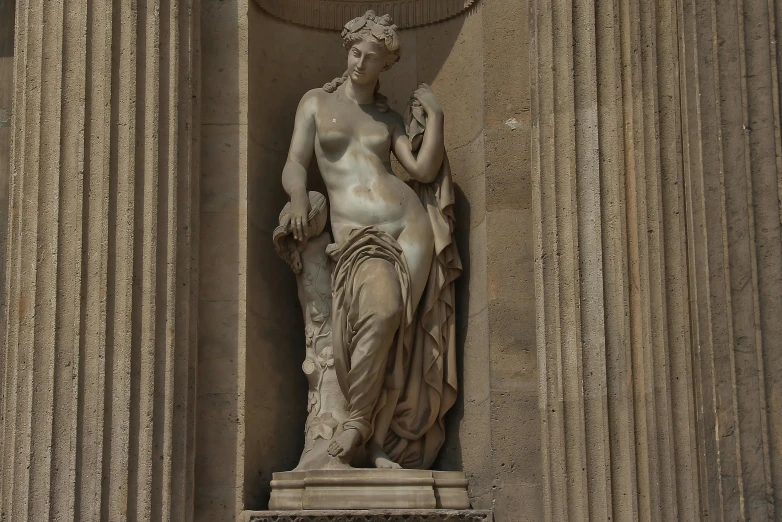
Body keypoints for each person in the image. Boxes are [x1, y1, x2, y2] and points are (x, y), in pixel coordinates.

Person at [281, 10, 459, 470]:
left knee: (400, 333)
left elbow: (420, 170)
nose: (361, 62)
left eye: (372, 57)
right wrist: (299, 196)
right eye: (356, 52)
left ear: (386, 64)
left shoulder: (389, 118)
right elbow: (296, 162)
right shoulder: (316, 103)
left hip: (409, 225)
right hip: (359, 234)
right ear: (348, 49)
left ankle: (375, 442)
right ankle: (357, 421)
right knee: (382, 313)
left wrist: (435, 117)